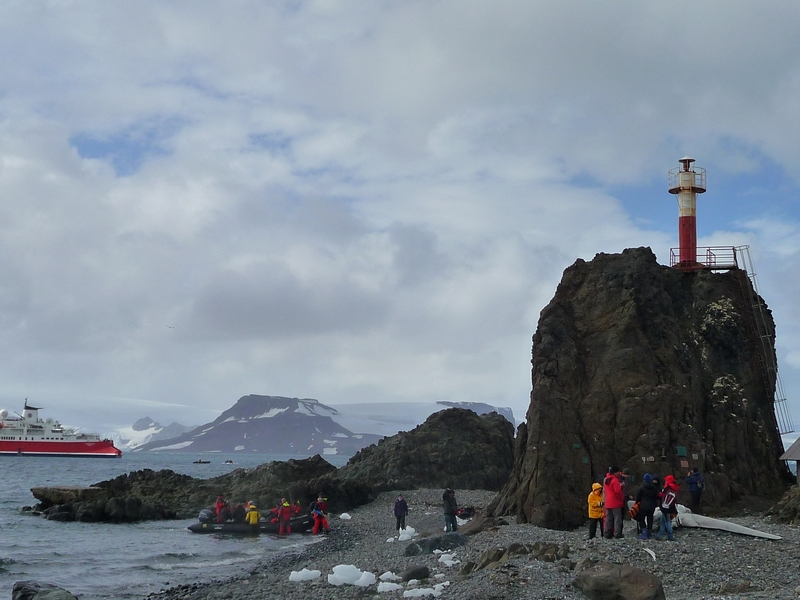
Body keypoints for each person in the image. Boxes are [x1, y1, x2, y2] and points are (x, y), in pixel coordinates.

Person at [635, 473, 659, 539]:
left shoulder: (642, 487)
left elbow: (638, 497)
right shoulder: (654, 487)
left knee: (641, 518)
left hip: (643, 505)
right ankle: (649, 532)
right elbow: (656, 496)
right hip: (652, 505)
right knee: (650, 518)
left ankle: (644, 532)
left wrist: (637, 502)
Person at [603, 466, 625, 539]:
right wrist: (621, 499)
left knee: (609, 518)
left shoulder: (606, 479)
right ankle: (617, 533)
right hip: (615, 502)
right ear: (615, 472)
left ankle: (607, 533)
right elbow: (617, 491)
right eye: (618, 472)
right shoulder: (615, 480)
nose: (619, 473)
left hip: (608, 502)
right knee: (617, 518)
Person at [656, 474, 679, 541]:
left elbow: (661, 495)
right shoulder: (675, 488)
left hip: (665, 507)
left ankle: (670, 536)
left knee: (667, 522)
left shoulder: (667, 488)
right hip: (671, 507)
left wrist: (658, 493)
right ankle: (660, 535)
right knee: (663, 521)